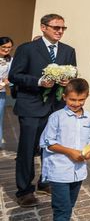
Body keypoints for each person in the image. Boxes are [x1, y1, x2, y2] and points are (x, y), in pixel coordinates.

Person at [9, 13, 77, 208]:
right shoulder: (27, 49)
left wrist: (68, 82)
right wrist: (39, 82)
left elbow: (73, 72)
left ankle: (45, 181)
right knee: (28, 149)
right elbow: (15, 75)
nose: (59, 31)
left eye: (63, 28)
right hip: (31, 105)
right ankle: (24, 190)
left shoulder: (68, 51)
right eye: (56, 27)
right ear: (43, 27)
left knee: (52, 147)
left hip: (56, 108)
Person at [39, 78, 90, 221]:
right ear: (64, 97)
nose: (76, 104)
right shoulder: (56, 117)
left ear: (86, 97)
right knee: (62, 210)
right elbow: (47, 142)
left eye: (81, 100)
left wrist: (89, 149)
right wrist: (70, 152)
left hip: (78, 173)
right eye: (72, 99)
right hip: (60, 171)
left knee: (68, 206)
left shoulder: (89, 118)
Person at [0, 36, 14, 149]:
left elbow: (12, 77)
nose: (6, 49)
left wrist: (5, 83)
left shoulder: (11, 61)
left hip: (1, 93)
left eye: (9, 47)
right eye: (4, 47)